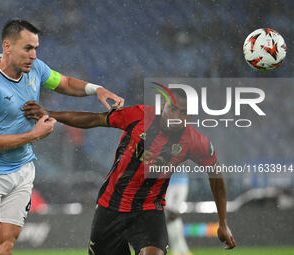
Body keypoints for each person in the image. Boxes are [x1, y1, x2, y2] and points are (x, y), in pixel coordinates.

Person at [0, 19, 123, 255]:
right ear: (7, 46)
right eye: (27, 48)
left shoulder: (35, 69)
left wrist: (96, 89)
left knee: (5, 245)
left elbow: (64, 83)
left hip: (22, 170)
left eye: (35, 48)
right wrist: (33, 135)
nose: (33, 55)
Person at [22, 88, 236, 255]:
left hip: (148, 210)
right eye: (173, 108)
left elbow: (216, 177)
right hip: (110, 207)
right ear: (163, 105)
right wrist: (51, 114)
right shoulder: (139, 116)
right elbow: (95, 119)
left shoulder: (195, 142)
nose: (176, 116)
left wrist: (223, 223)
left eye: (183, 113)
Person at [165, 172, 192, 255]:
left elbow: (187, 163)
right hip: (168, 184)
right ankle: (183, 251)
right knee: (170, 217)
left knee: (172, 216)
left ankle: (179, 251)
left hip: (181, 183)